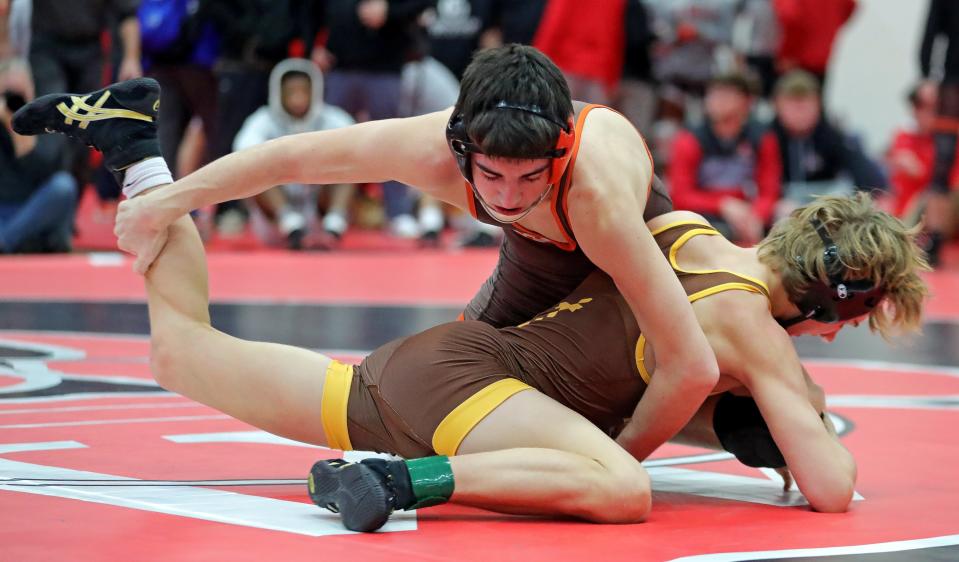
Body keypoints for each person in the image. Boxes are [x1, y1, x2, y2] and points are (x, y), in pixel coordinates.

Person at [14, 84, 928, 530]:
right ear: (826, 297)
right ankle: (396, 483)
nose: (839, 333)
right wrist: (784, 396)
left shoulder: (680, 229)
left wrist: (161, 199)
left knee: (180, 353)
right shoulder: (743, 323)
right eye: (847, 316)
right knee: (617, 485)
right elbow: (832, 486)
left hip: (453, 374)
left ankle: (137, 149)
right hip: (470, 382)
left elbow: (676, 368)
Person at [22, 45, 720, 466]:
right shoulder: (431, 148)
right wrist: (167, 203)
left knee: (717, 377)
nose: (507, 198)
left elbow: (691, 363)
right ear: (459, 149)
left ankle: (137, 156)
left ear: (561, 153)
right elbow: (287, 159)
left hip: (618, 270)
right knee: (460, 390)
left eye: (529, 177)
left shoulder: (593, 199)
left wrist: (613, 464)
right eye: (492, 176)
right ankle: (140, 159)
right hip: (537, 279)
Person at [232, 59, 356, 247]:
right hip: (276, 216)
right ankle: (291, 225)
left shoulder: (332, 117)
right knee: (254, 169)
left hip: (319, 203)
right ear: (278, 93)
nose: (298, 99)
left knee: (351, 167)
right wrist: (285, 160)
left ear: (314, 92)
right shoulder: (263, 119)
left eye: (303, 92)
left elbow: (356, 146)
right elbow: (242, 148)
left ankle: (334, 224)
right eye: (291, 92)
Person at [668, 72, 781, 244]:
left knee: (786, 215)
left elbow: (770, 188)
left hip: (749, 212)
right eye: (713, 94)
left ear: (747, 102)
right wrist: (723, 204)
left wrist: (757, 216)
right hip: (706, 214)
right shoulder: (689, 139)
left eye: (726, 94)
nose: (717, 100)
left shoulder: (761, 137)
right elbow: (680, 195)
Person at [770, 70, 887, 221]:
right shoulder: (767, 137)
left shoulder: (834, 136)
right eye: (792, 102)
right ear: (777, 104)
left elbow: (870, 179)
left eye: (806, 102)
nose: (799, 111)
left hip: (826, 214)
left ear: (818, 104)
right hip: (781, 215)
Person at [0, 58, 77, 253]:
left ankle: (5, 240)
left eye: (19, 95)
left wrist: (19, 133)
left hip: (34, 212)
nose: (14, 103)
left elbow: (45, 174)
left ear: (31, 91)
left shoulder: (47, 121)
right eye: (8, 94)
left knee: (63, 186)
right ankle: (11, 239)